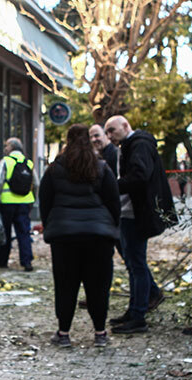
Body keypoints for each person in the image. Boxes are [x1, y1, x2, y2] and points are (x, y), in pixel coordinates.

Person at [39, 124, 121, 348]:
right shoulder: (101, 167)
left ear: (67, 141)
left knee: (65, 285)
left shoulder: (54, 169)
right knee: (99, 286)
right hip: (99, 237)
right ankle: (100, 333)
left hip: (64, 237)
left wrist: (51, 226)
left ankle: (63, 333)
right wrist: (111, 227)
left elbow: (44, 201)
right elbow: (114, 201)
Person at [104, 115, 178, 334]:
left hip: (136, 214)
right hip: (131, 213)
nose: (110, 136)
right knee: (133, 263)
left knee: (136, 264)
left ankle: (138, 316)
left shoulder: (140, 145)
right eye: (107, 132)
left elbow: (139, 176)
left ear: (126, 126)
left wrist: (112, 187)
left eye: (112, 130)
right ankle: (135, 310)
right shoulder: (131, 145)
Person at [0, 138, 37, 271]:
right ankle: (27, 262)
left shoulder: (6, 162)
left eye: (6, 145)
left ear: (11, 147)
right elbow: (36, 183)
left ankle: (2, 260)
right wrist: (33, 200)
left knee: (6, 233)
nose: (5, 148)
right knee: (24, 233)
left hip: (7, 203)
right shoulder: (29, 163)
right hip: (24, 203)